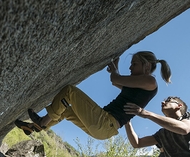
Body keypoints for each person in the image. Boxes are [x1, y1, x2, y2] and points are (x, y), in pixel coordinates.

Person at [15, 51, 171, 139]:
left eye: (134, 64)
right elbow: (116, 83)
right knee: (66, 110)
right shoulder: (140, 85)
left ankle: (41, 122)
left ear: (147, 66)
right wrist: (115, 70)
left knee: (69, 91)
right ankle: (32, 127)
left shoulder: (150, 81)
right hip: (103, 129)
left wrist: (115, 72)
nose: (130, 67)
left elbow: (115, 79)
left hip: (105, 122)